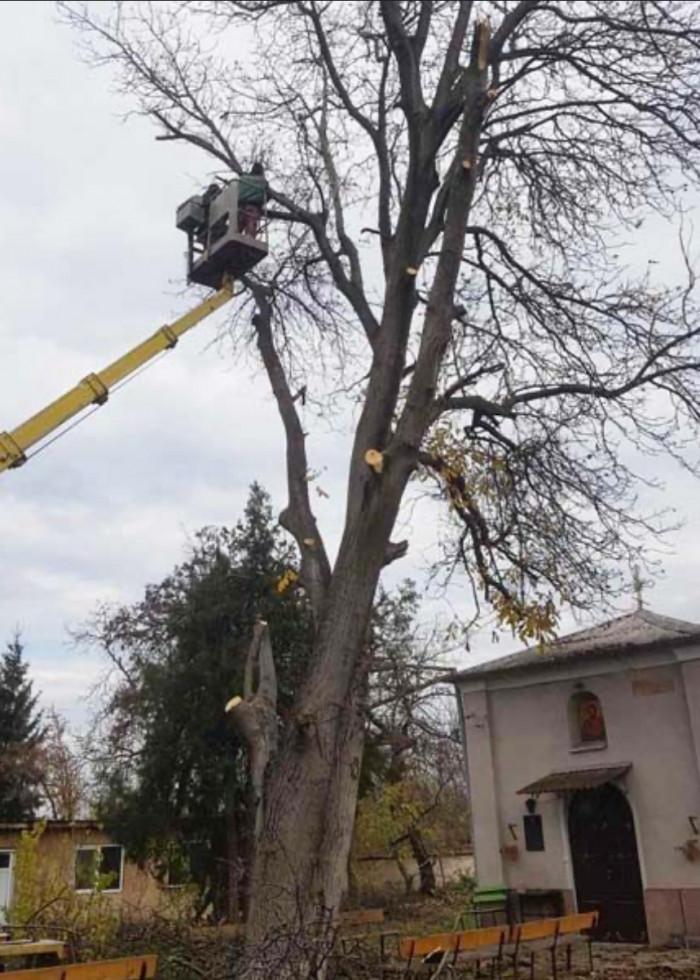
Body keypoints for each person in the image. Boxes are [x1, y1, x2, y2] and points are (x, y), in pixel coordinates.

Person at [237, 162, 266, 238]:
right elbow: (267, 195)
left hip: (240, 207)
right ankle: (249, 238)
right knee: (251, 224)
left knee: (237, 228)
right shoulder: (262, 181)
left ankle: (235, 237)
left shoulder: (243, 178)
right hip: (253, 207)